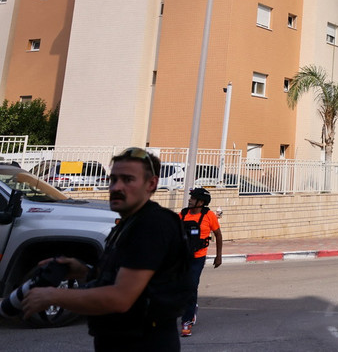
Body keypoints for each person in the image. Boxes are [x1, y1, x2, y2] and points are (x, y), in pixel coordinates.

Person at [21, 148, 188, 352]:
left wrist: (53, 296)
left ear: (151, 183)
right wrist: (83, 271)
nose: (116, 187)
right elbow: (123, 278)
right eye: (113, 179)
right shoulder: (129, 223)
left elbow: (121, 298)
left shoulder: (152, 224)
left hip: (143, 343)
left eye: (127, 180)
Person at [179, 187, 222, 337]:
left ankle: (187, 321)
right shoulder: (183, 214)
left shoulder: (209, 216)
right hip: (182, 257)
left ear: (201, 202)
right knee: (182, 287)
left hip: (198, 257)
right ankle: (191, 308)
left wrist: (219, 256)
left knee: (191, 285)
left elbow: (218, 234)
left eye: (192, 198)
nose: (189, 200)